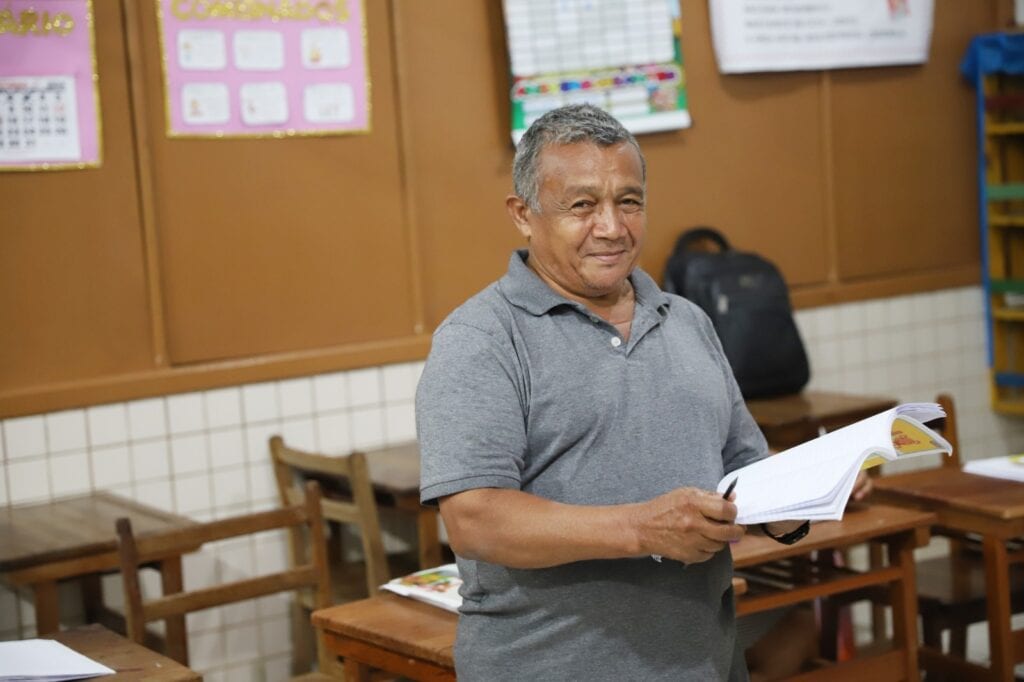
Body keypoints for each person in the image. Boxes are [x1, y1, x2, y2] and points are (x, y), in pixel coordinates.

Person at [415, 103, 807, 681]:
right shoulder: (481, 338)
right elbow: (476, 520)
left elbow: (742, 462)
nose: (612, 227)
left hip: (703, 663)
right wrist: (643, 529)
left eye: (629, 201)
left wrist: (811, 486)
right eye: (582, 205)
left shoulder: (687, 321)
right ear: (523, 214)